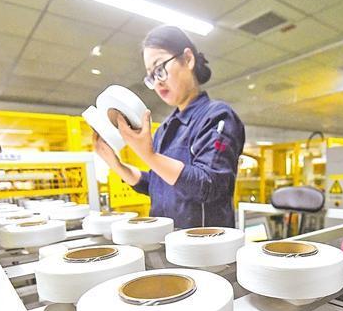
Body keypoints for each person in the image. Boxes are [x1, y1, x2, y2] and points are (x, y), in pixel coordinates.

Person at [93, 25, 245, 229]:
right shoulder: (164, 129)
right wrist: (118, 166)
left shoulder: (218, 116)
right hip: (165, 241)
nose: (157, 82)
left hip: (205, 244)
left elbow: (210, 185)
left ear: (188, 59)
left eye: (160, 69)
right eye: (151, 76)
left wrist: (148, 156)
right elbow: (158, 183)